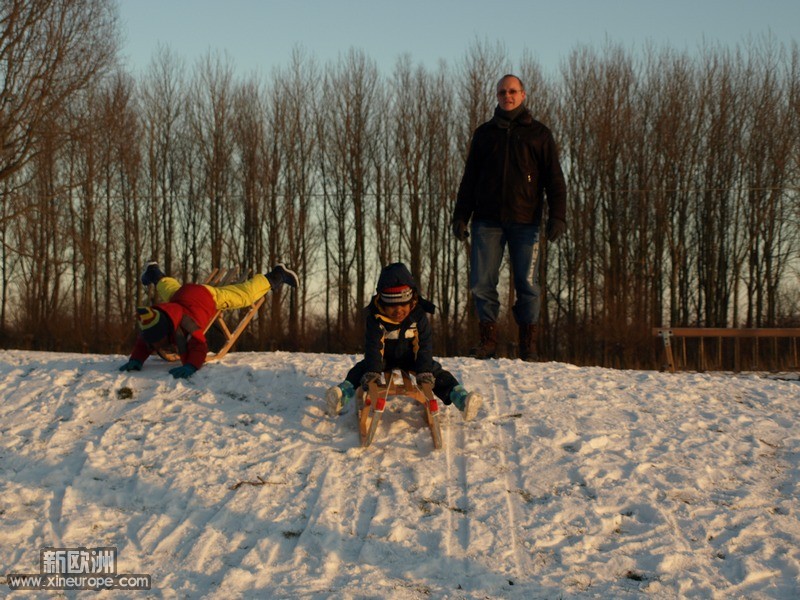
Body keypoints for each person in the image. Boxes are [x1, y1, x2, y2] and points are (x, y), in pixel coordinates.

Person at [451, 73, 567, 361]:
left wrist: (558, 217)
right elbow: (469, 179)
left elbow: (555, 180)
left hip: (526, 222)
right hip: (486, 221)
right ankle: (488, 340)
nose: (507, 96)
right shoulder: (484, 134)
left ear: (523, 95)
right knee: (481, 282)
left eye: (512, 91)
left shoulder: (539, 134)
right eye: (502, 92)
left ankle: (528, 344)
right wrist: (460, 215)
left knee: (528, 284)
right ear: (497, 96)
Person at [326, 262, 482, 421]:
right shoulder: (376, 318)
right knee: (361, 368)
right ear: (383, 304)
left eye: (403, 304)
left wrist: (424, 370)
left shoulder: (418, 316)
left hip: (411, 358)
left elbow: (424, 345)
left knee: (436, 371)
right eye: (392, 306)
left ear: (411, 299)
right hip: (383, 359)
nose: (399, 310)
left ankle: (460, 398)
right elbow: (373, 346)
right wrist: (373, 370)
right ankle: (341, 394)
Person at [119, 261, 299, 378]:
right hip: (183, 295)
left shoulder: (186, 324)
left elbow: (199, 345)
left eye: (156, 343)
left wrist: (191, 365)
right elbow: (146, 340)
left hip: (207, 295)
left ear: (166, 333)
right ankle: (153, 272)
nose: (153, 346)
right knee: (171, 290)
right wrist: (136, 359)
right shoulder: (158, 319)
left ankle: (277, 274)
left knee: (245, 295)